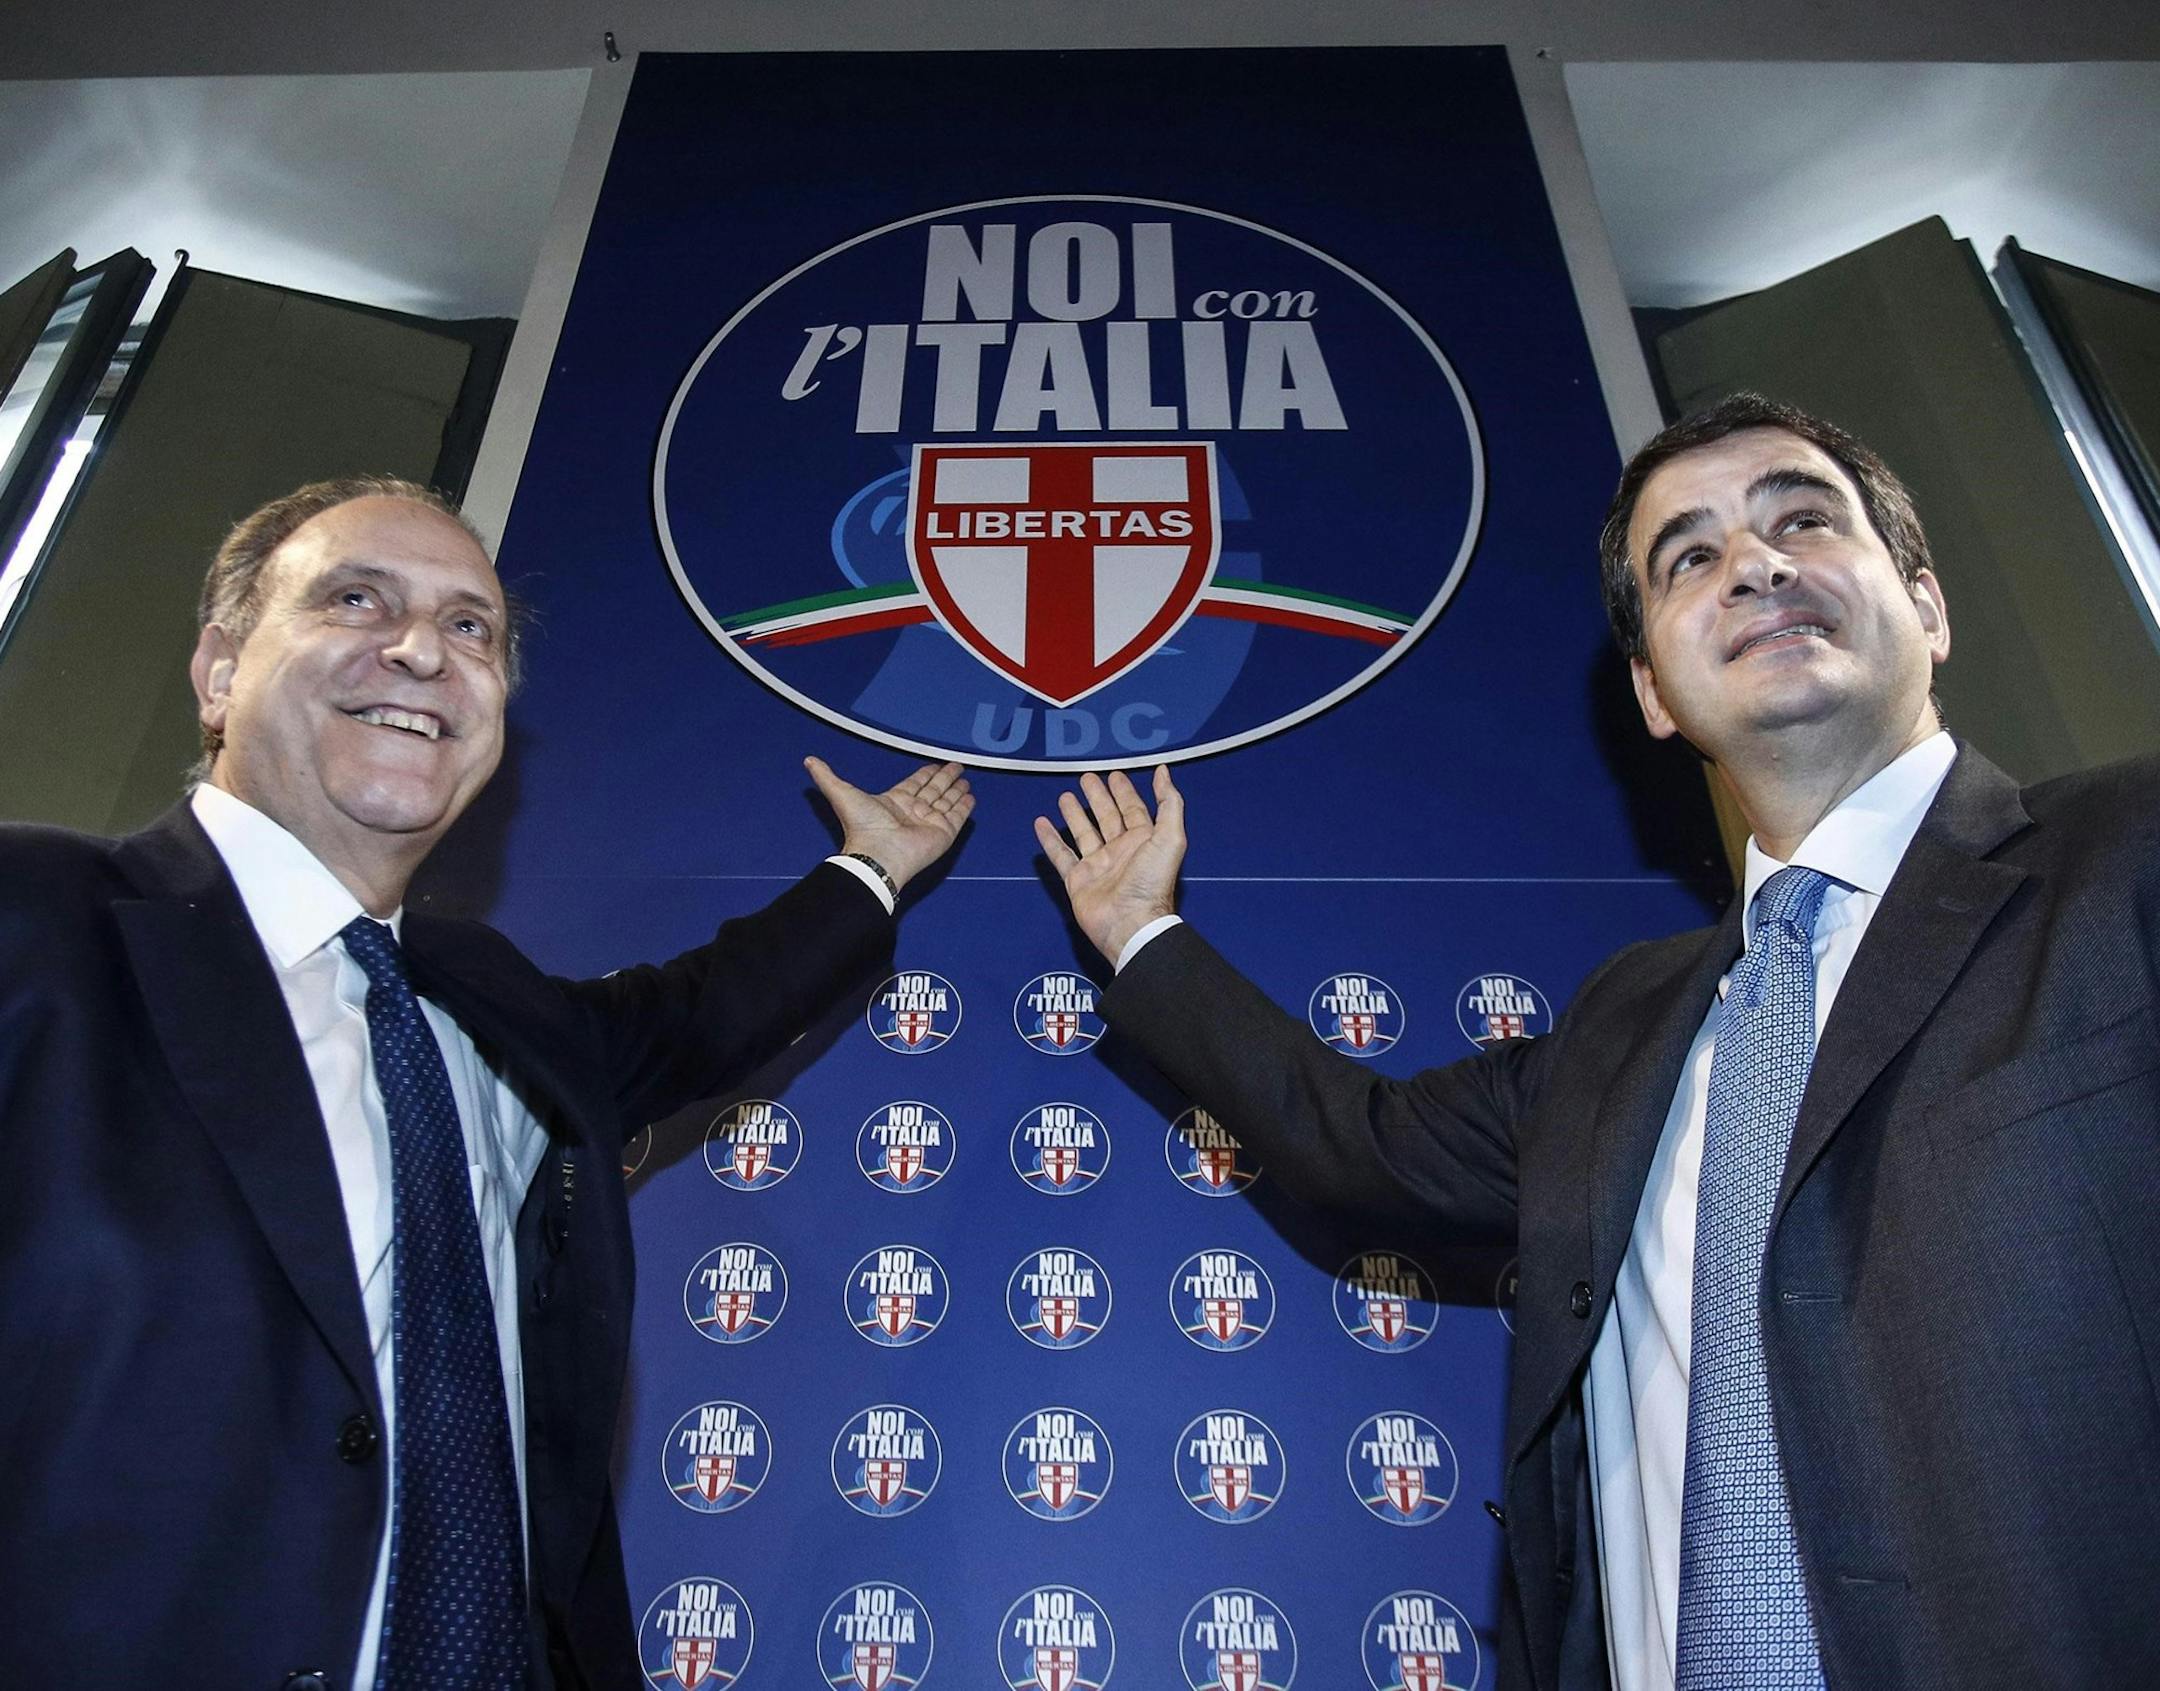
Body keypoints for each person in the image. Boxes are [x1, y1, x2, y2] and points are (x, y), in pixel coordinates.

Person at [1036, 395, 2160, 1689]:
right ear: (1652, 694)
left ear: (1929, 603)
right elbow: (1360, 1146)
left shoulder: (2125, 859)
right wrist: (1138, 932)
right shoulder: (1628, 1021)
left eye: (1803, 518)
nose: (1756, 562)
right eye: (1690, 556)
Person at [0, 477, 973, 1690]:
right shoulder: (32, 917)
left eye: (473, 628)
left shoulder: (487, 1000)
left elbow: (700, 1014)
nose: (421, 650)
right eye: (358, 599)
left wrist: (872, 866)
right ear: (218, 672)